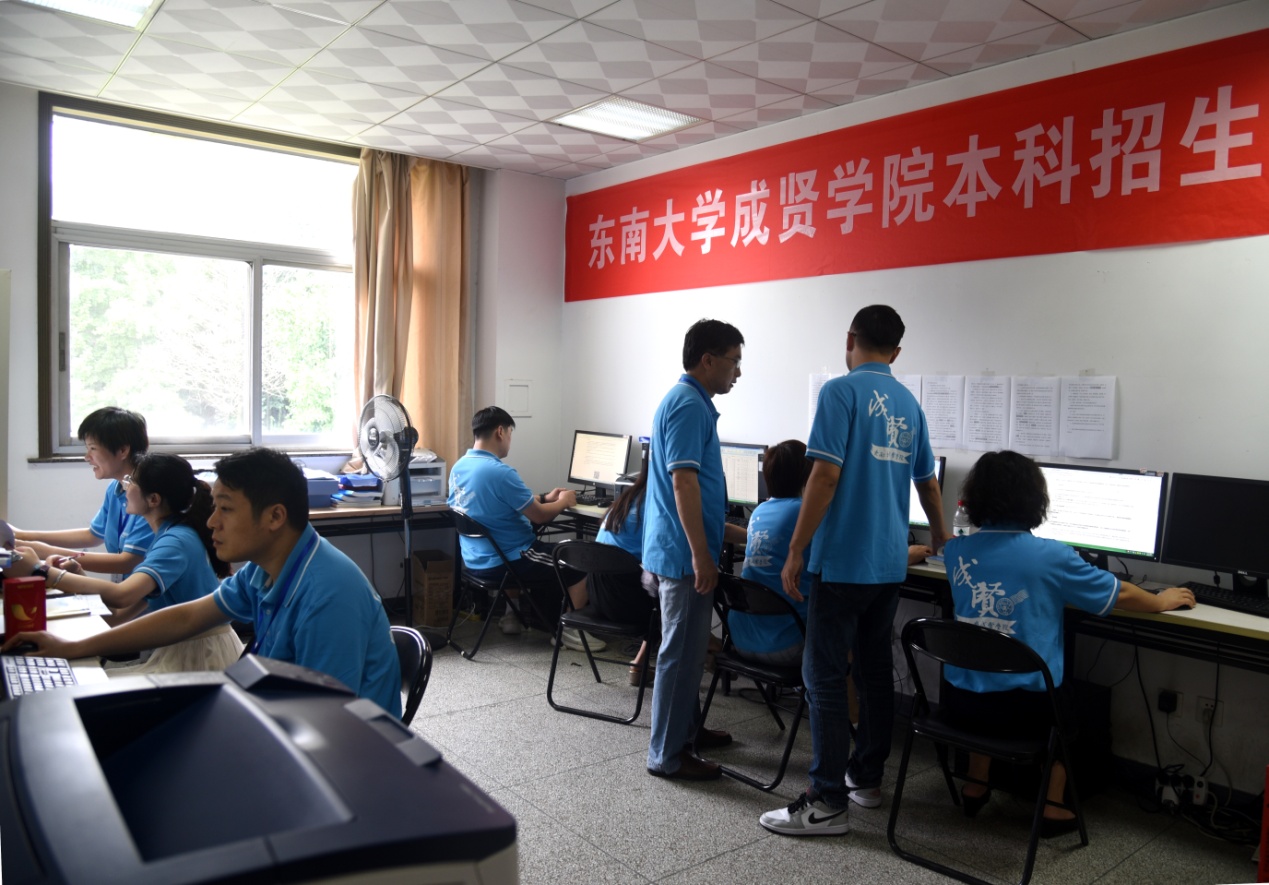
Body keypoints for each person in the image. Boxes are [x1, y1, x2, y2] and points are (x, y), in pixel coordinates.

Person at [3, 447, 401, 717]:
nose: (211, 522)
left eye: (225, 509)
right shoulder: (264, 569)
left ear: (275, 517)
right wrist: (73, 647)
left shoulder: (328, 595)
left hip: (342, 761)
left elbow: (328, 720)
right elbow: (186, 617)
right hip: (277, 710)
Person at [761, 304, 947, 836]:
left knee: (823, 676)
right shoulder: (909, 404)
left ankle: (826, 801)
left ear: (850, 339)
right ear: (897, 351)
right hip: (887, 565)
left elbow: (823, 476)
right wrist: (941, 537)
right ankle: (866, 779)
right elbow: (928, 482)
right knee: (873, 672)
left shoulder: (839, 392)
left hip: (842, 561)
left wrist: (797, 548)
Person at [942, 450, 1195, 835]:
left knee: (987, 666)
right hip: (1028, 711)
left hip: (961, 703)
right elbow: (1121, 593)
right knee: (1067, 708)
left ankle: (976, 785)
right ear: (1034, 500)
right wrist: (1161, 600)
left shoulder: (955, 551)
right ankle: (1052, 806)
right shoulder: (1052, 556)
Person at [10, 453, 244, 673]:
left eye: (131, 481)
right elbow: (117, 616)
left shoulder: (175, 541)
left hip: (202, 658)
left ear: (153, 499)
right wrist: (77, 573)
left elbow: (122, 596)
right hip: (186, 653)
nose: (125, 487)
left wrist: (41, 570)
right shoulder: (167, 535)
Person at [642, 319, 748, 781]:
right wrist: (702, 555)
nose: (738, 372)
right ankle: (666, 755)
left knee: (685, 652)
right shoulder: (688, 405)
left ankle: (686, 732)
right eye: (734, 361)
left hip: (677, 548)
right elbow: (683, 483)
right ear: (708, 360)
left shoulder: (690, 402)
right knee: (681, 655)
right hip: (684, 555)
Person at [448, 406, 604, 652]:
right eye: (510, 434)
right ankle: (570, 632)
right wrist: (564, 501)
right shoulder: (500, 472)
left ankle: (511, 616)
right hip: (507, 561)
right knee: (581, 561)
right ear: (500, 432)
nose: (510, 441)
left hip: (476, 560)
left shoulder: (459, 467)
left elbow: (503, 502)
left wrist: (544, 497)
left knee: (514, 539)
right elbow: (540, 516)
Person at [14, 407, 154, 582]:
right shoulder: (116, 488)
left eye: (93, 448)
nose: (87, 457)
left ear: (123, 450)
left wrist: (44, 551)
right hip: (125, 589)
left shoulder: (150, 495)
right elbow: (93, 535)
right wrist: (22, 536)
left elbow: (128, 562)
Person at [591, 464, 657, 685]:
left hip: (599, 599)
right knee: (677, 587)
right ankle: (707, 646)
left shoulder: (626, 500)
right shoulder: (657, 504)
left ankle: (707, 644)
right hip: (627, 605)